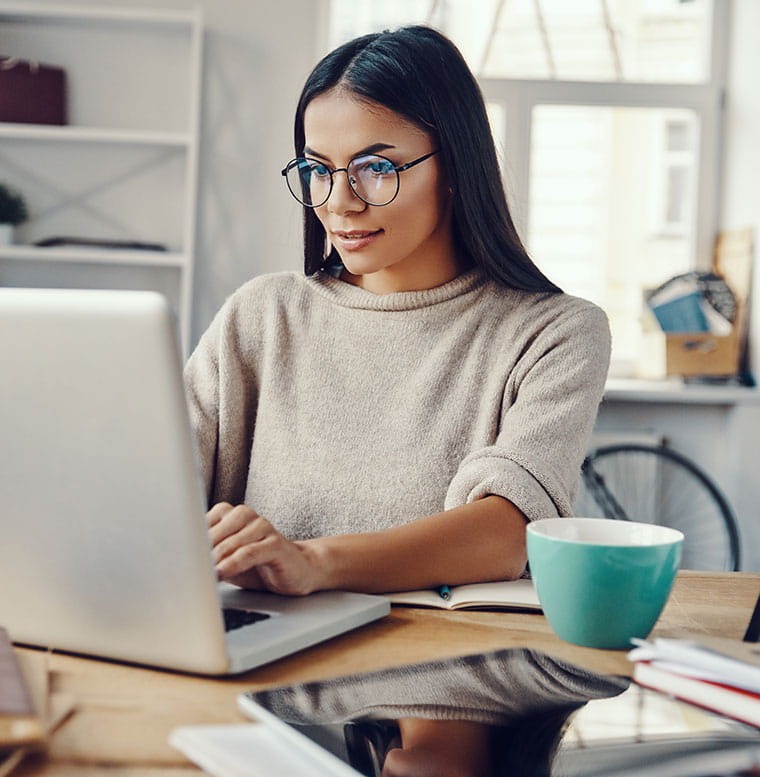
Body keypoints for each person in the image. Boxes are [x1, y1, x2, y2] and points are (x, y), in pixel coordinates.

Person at [184, 25, 611, 596]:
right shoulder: (260, 316)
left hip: (440, 650)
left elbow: (507, 533)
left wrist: (313, 562)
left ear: (454, 167)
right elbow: (156, 481)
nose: (339, 203)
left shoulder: (555, 333)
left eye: (376, 168)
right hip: (264, 643)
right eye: (317, 170)